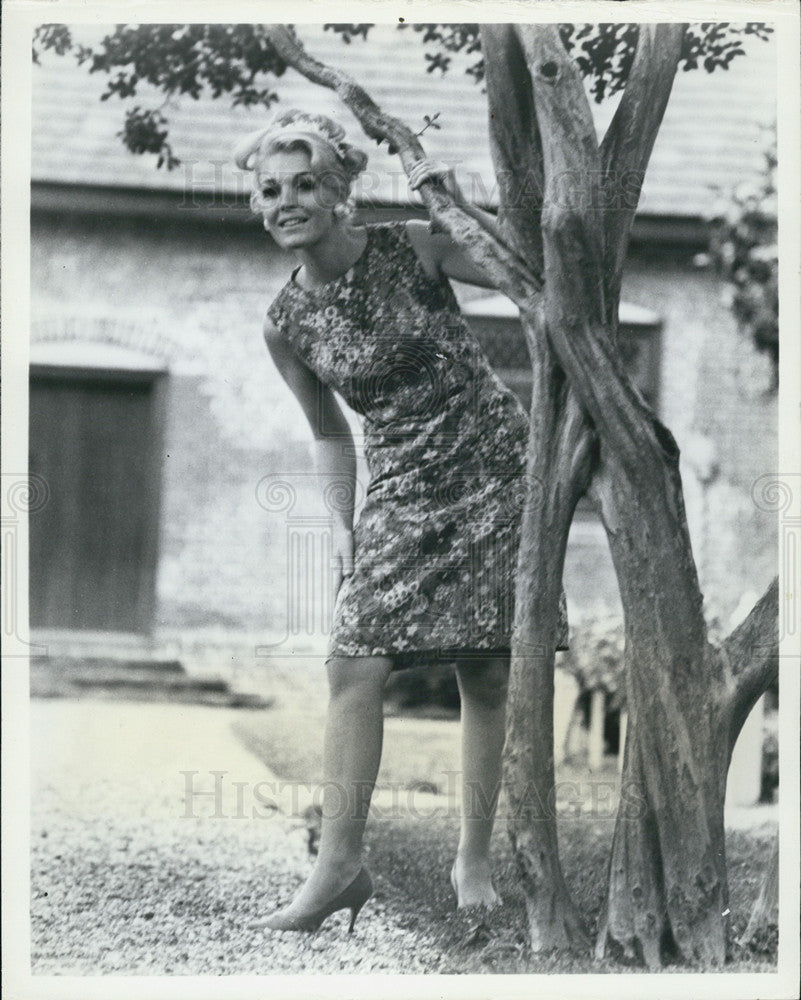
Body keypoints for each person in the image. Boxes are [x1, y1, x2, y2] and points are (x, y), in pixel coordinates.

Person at [234, 108, 568, 933]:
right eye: (270, 190)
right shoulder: (286, 324)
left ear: (340, 190)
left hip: (494, 464)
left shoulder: (415, 246)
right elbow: (327, 432)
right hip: (402, 483)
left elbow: (528, 275)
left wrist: (454, 205)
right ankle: (338, 868)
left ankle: (475, 859)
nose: (286, 202)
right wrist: (342, 523)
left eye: (305, 184)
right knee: (353, 662)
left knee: (487, 672)